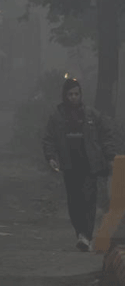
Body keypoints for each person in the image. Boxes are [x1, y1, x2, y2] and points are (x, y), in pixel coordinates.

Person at [42, 77, 117, 252]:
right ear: (64, 96)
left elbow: (106, 134)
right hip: (69, 166)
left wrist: (110, 156)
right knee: (74, 202)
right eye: (70, 94)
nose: (73, 97)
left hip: (89, 165)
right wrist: (51, 157)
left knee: (89, 200)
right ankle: (80, 233)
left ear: (81, 95)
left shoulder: (91, 114)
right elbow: (49, 139)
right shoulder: (57, 116)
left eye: (76, 94)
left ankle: (86, 235)